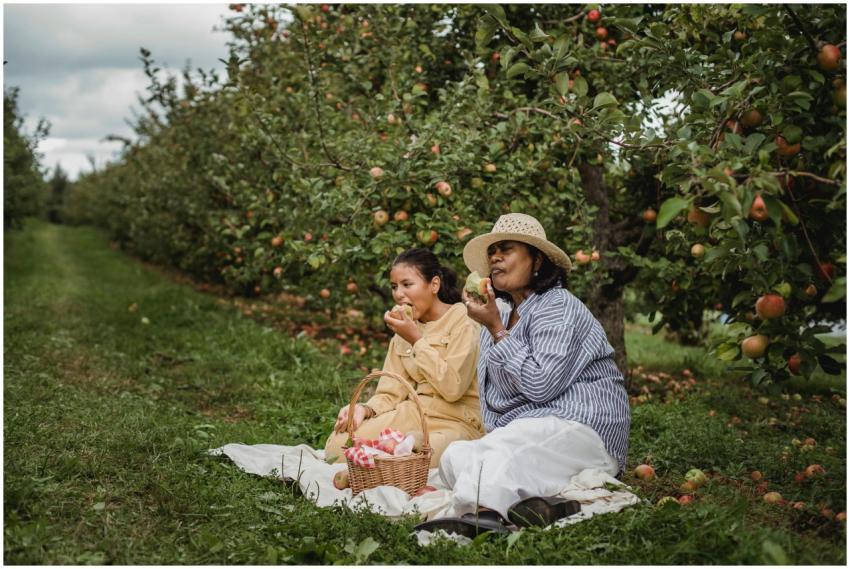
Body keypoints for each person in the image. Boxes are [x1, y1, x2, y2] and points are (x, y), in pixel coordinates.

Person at [415, 213, 631, 536]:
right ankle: (550, 504)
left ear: (537, 261)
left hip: (583, 426)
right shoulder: (500, 312)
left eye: (506, 249)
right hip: (533, 428)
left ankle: (484, 518)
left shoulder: (558, 306)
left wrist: (497, 331)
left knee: (504, 455)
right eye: (492, 252)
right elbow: (495, 397)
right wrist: (493, 325)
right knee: (457, 456)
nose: (495, 257)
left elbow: (541, 385)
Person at [324, 248, 485, 467]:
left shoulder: (463, 321)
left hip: (454, 421)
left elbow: (453, 388)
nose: (399, 294)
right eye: (394, 287)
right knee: (337, 445)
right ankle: (393, 451)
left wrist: (416, 340)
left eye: (407, 285)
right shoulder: (404, 328)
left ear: (434, 285)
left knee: (419, 455)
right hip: (414, 414)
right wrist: (365, 409)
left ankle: (396, 453)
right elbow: (391, 392)